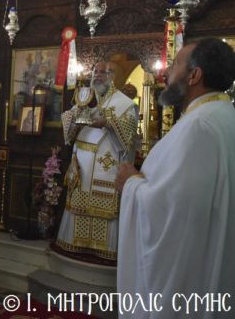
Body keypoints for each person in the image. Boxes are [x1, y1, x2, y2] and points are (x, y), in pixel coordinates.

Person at [115, 38, 235, 318]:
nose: (165, 72)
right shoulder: (224, 115)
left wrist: (131, 184)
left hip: (187, 285)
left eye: (175, 64)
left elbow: (175, 215)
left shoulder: (199, 127)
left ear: (195, 75)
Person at [53, 62, 138, 262]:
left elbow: (129, 135)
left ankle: (106, 249)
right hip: (83, 166)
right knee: (80, 202)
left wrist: (107, 122)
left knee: (105, 206)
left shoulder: (124, 103)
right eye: (95, 72)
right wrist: (74, 116)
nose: (97, 76)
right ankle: (75, 244)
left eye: (102, 72)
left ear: (112, 76)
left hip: (107, 165)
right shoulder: (87, 98)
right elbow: (69, 129)